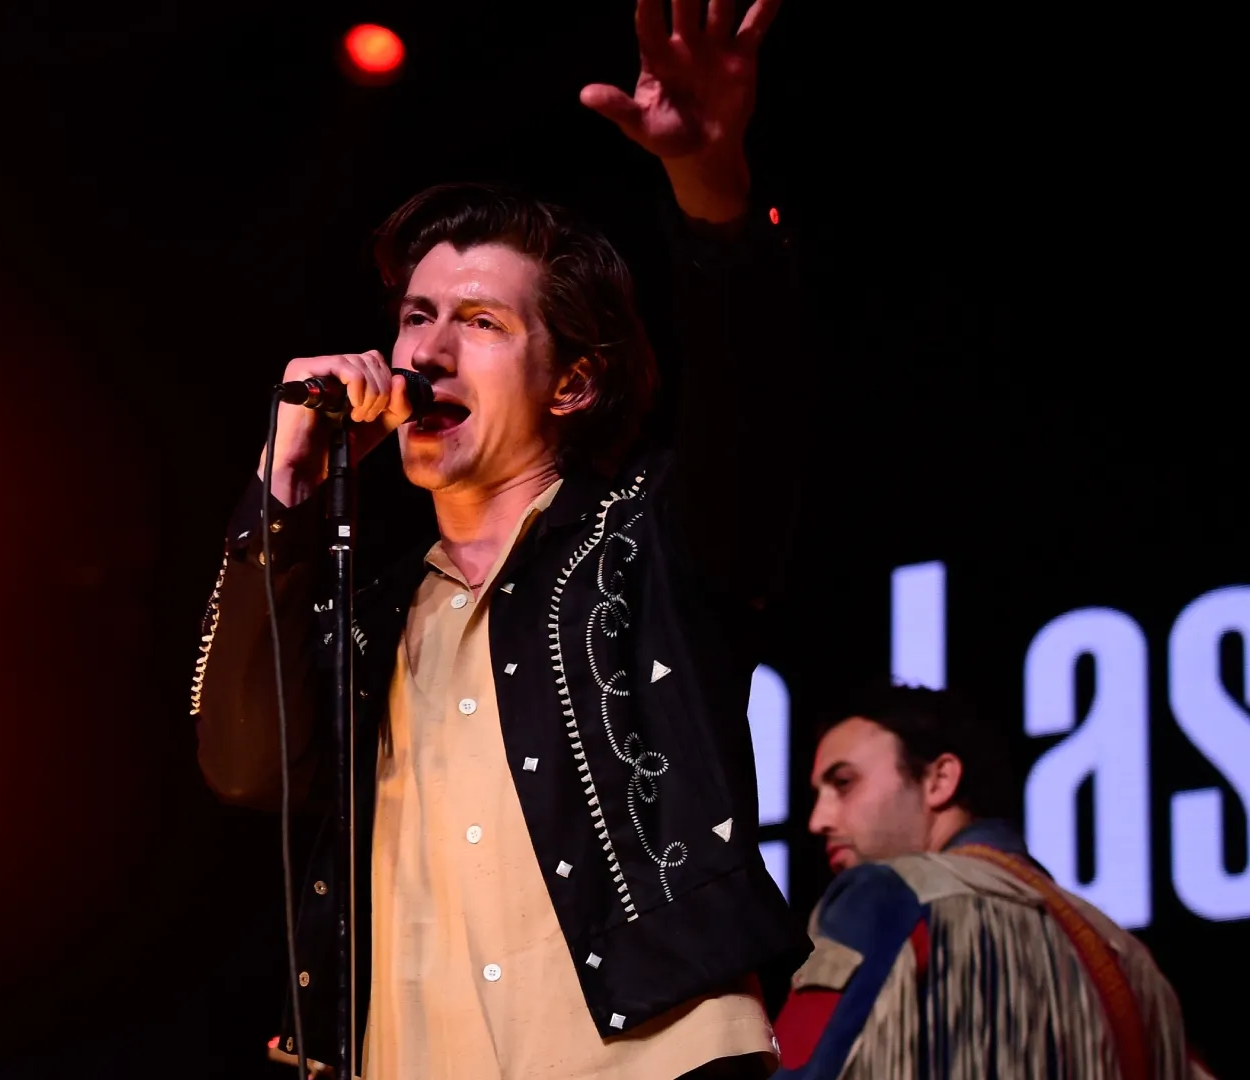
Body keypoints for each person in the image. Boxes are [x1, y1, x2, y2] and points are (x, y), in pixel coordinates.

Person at [190, 1, 807, 1076]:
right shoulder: (371, 603)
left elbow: (752, 388)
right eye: (418, 315)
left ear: (572, 381)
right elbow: (243, 766)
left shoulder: (650, 538)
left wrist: (711, 188)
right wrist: (278, 493)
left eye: (480, 323)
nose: (429, 351)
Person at [774, 685, 1209, 1079]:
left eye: (843, 783)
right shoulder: (1132, 960)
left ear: (939, 780)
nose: (818, 820)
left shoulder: (888, 895)